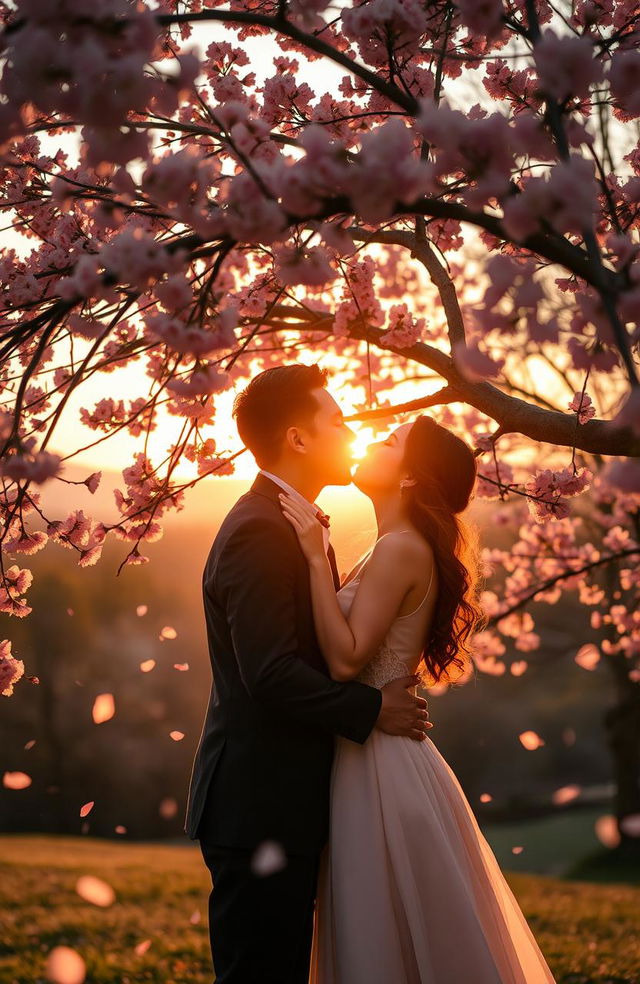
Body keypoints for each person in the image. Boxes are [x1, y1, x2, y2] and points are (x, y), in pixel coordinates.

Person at [279, 415, 558, 984]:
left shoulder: (401, 549)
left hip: (379, 765)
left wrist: (311, 557)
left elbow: (345, 660)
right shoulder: (390, 546)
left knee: (381, 924)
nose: (372, 443)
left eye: (390, 441)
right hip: (372, 750)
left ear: (409, 478)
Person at [182, 363, 431, 984]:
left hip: (285, 801)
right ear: (298, 438)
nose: (350, 434)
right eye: (338, 422)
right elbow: (269, 673)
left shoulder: (295, 523)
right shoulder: (261, 531)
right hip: (259, 805)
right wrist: (373, 711)